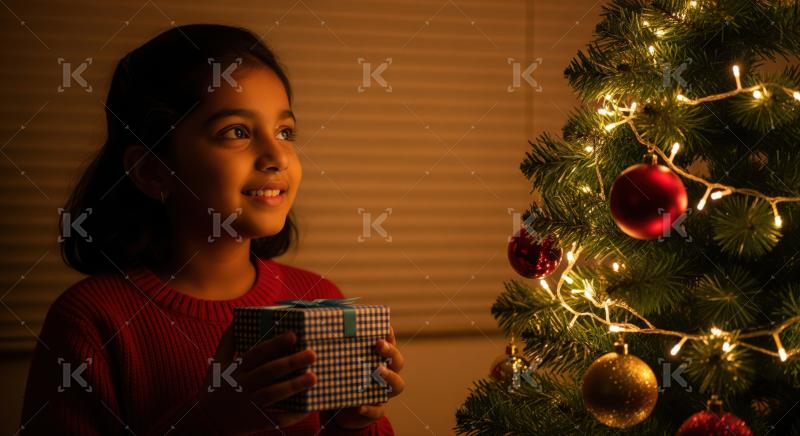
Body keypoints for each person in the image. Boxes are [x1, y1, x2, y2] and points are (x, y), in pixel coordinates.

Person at [20, 23, 403, 435]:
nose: (277, 156)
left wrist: (354, 422)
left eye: (285, 132)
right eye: (236, 132)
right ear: (153, 170)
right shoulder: (89, 321)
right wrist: (216, 421)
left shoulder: (320, 298)